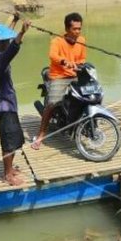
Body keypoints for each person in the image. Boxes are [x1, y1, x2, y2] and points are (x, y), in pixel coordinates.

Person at [0, 14, 30, 186]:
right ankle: (8, 175)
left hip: (8, 103)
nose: (8, 42)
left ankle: (9, 170)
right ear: (1, 43)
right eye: (6, 41)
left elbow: (6, 38)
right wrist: (21, 33)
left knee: (15, 138)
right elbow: (11, 51)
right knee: (8, 141)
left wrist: (15, 20)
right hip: (4, 105)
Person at [31, 12, 86, 150]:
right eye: (75, 29)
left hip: (75, 75)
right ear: (67, 29)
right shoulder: (57, 41)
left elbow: (82, 59)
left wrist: (79, 65)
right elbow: (53, 55)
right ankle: (41, 134)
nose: (78, 32)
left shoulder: (82, 41)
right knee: (53, 102)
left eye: (79, 28)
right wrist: (65, 62)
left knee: (89, 93)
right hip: (59, 76)